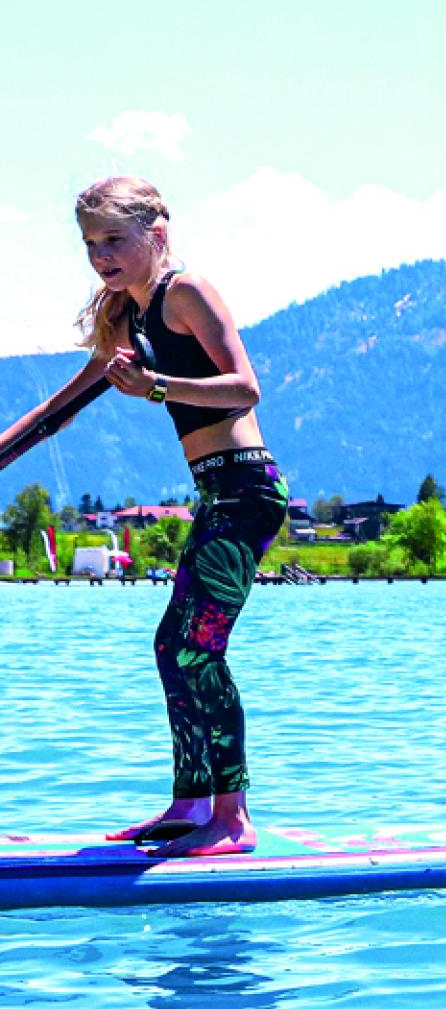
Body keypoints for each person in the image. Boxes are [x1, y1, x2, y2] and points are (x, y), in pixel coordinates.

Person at [0, 177, 287, 857]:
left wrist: (156, 386)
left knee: (196, 647)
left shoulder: (188, 292)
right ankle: (191, 805)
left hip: (248, 492)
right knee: (173, 646)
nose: (100, 255)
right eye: (89, 243)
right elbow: (56, 413)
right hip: (217, 494)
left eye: (113, 240)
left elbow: (245, 385)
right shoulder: (125, 317)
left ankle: (233, 819)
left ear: (155, 234)